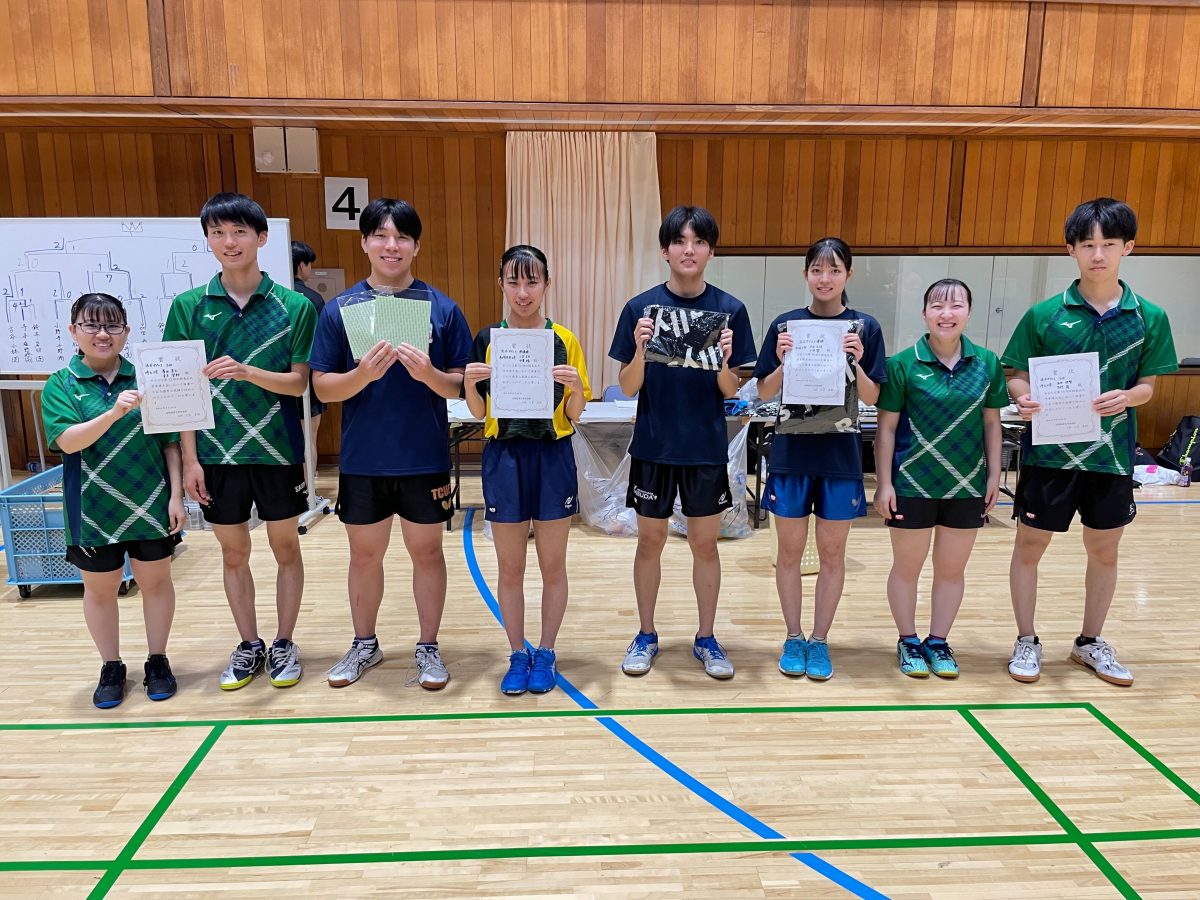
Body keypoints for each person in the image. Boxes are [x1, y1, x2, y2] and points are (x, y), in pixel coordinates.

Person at [1002, 198, 1177, 687]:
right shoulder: (1045, 315)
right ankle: (1026, 639)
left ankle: (1089, 642)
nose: (1098, 254)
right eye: (1087, 245)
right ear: (1071, 250)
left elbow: (1149, 385)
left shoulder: (1150, 317)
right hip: (1050, 454)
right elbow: (1014, 374)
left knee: (1104, 551)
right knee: (1029, 547)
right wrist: (1026, 398)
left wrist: (1129, 397)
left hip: (1111, 456)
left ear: (1128, 248)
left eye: (1109, 244)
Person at [311, 198, 471, 691]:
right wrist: (360, 375)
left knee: (426, 554)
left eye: (401, 236)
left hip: (422, 455)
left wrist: (431, 375)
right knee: (364, 556)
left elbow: (462, 384)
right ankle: (365, 644)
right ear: (364, 243)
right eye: (380, 235)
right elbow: (321, 387)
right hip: (364, 458)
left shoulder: (441, 309)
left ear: (416, 245)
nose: (391, 245)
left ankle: (428, 647)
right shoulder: (341, 310)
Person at [162, 192, 317, 691]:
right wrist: (189, 459)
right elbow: (179, 392)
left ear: (262, 238)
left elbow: (299, 384)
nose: (229, 242)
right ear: (208, 240)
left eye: (240, 232)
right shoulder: (188, 307)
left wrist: (249, 372)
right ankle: (249, 643)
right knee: (233, 554)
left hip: (278, 450)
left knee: (285, 546)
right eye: (218, 233)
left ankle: (285, 642)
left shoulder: (294, 306)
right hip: (214, 454)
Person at [608, 205, 756, 680]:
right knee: (649, 543)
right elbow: (628, 386)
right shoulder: (641, 308)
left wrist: (727, 361)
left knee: (704, 545)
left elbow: (731, 391)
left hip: (705, 449)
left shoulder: (730, 310)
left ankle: (707, 638)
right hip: (653, 447)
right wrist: (637, 347)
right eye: (679, 241)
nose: (688, 250)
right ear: (665, 250)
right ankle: (646, 634)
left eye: (698, 241)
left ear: (711, 250)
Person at [41, 293, 185, 708]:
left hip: (151, 500)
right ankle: (111, 666)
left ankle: (157, 661)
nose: (103, 334)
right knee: (101, 589)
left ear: (126, 331)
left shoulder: (147, 377)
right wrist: (113, 415)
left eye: (113, 326)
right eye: (91, 325)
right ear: (73, 331)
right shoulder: (61, 384)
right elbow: (68, 441)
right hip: (91, 509)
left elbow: (170, 443)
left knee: (156, 583)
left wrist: (176, 496)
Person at [754, 237, 886, 681]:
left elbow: (873, 396)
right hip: (791, 454)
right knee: (789, 554)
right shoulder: (785, 325)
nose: (824, 279)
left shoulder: (864, 327)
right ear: (806, 274)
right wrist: (782, 360)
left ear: (848, 274)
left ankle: (821, 639)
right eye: (816, 270)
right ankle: (793, 637)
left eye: (834, 270)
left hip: (840, 457)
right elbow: (764, 391)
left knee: (832, 554)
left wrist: (859, 363)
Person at [463, 245, 590, 695]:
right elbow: (479, 413)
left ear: (546, 285)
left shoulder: (565, 339)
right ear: (500, 285)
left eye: (531, 281)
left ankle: (547, 652)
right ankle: (518, 652)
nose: (522, 292)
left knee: (553, 566)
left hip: (553, 456)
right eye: (513, 282)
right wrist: (468, 383)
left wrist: (574, 386)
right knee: (510, 567)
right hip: (505, 457)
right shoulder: (487, 339)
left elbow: (576, 412)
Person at [873, 279, 1007, 678]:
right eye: (937, 306)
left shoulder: (987, 363)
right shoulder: (902, 365)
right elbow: (886, 430)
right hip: (912, 484)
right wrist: (884, 483)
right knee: (906, 568)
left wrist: (994, 475)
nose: (946, 313)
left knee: (951, 570)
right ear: (925, 313)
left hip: (967, 485)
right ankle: (909, 640)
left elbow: (992, 424)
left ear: (968, 312)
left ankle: (938, 641)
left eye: (956, 306)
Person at [291, 240, 326, 468]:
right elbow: (323, 345)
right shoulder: (312, 299)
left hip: (276, 378)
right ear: (302, 265)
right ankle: (309, 492)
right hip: (308, 376)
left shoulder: (272, 297)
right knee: (308, 436)